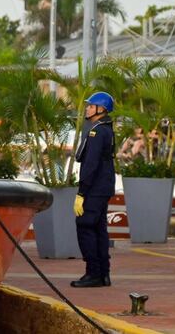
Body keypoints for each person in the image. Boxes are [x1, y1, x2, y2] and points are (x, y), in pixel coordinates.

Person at [71, 91, 116, 288]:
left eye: (91, 105)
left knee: (85, 226)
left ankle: (93, 273)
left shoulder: (97, 131)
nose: (87, 108)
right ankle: (103, 273)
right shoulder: (104, 129)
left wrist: (82, 192)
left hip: (95, 187)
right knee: (99, 228)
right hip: (103, 185)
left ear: (101, 109)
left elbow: (90, 165)